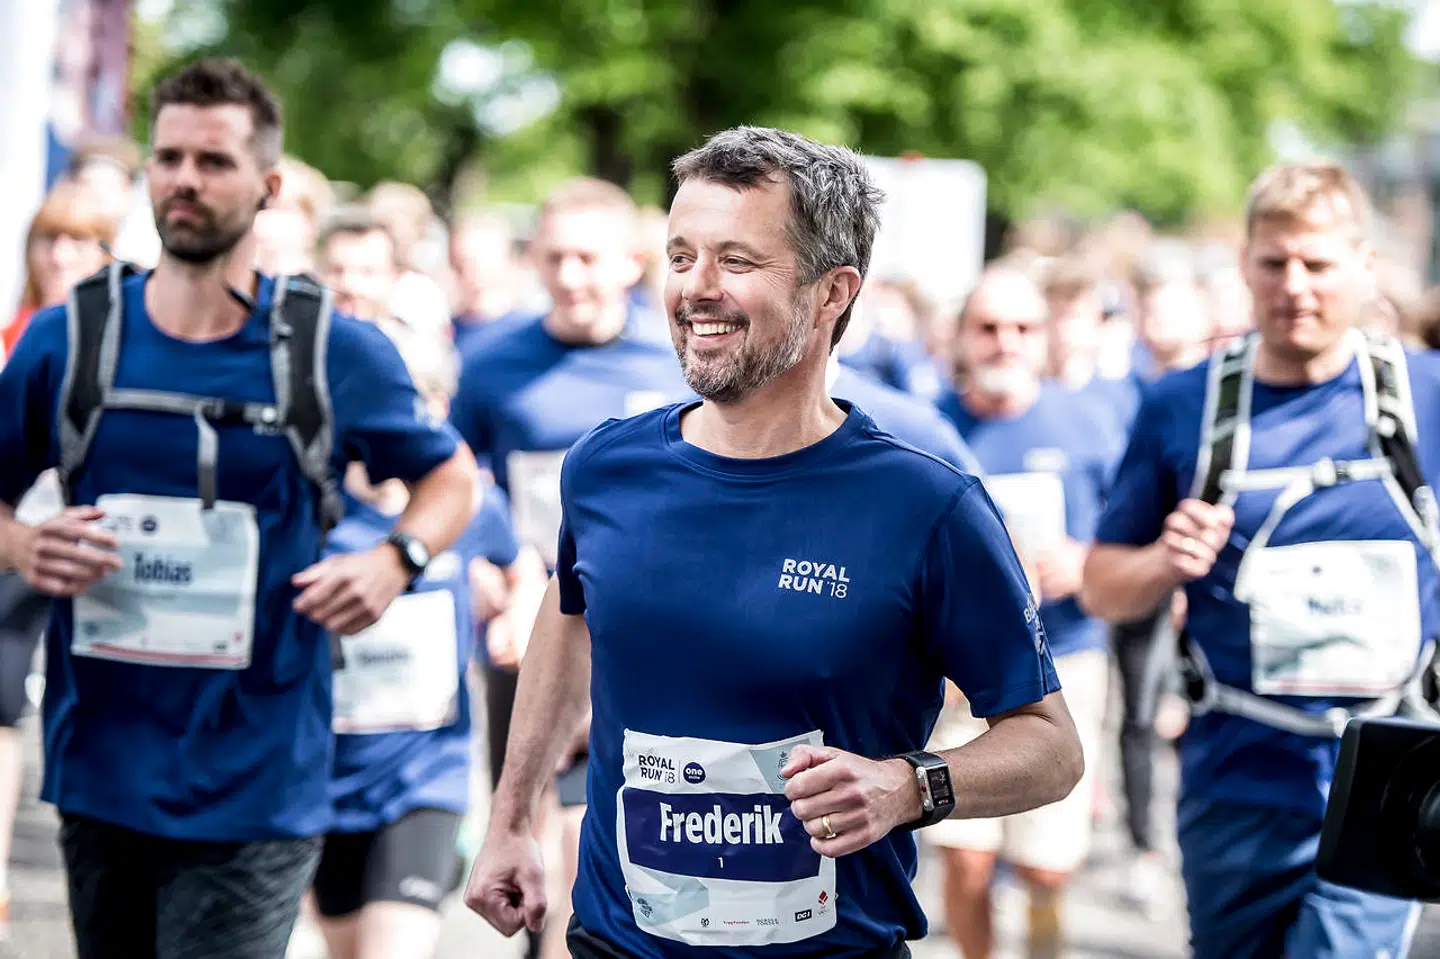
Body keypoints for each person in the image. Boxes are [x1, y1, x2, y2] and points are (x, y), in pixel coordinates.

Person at [463, 125, 1083, 959]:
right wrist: (509, 820)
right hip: (618, 941)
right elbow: (569, 616)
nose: (697, 289)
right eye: (680, 257)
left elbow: (1051, 745)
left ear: (833, 293)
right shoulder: (606, 468)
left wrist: (909, 785)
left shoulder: (926, 503)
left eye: (737, 261)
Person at [0, 58, 479, 958]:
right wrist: (23, 542)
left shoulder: (330, 348)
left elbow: (451, 477)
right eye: (169, 156)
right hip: (101, 763)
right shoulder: (74, 337)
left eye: (213, 161)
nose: (185, 178)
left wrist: (393, 560)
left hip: (259, 776)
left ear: (264, 186)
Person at [1081, 161, 1438, 959]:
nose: (1296, 286)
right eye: (1275, 263)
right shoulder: (1184, 403)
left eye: (1318, 263)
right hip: (1236, 779)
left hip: (1387, 771)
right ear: (1244, 266)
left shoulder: (1425, 397)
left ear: (1364, 267)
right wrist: (1167, 560)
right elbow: (1104, 586)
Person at [449, 175, 692, 958]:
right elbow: (457, 483)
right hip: (532, 626)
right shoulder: (492, 364)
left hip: (651, 632)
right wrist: (482, 569)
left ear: (630, 262)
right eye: (555, 257)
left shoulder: (679, 359)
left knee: (623, 838)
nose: (571, 275)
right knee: (528, 840)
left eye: (589, 257)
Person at [932, 268, 1125, 959]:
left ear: (1044, 339)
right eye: (987, 328)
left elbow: (1126, 540)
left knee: (1045, 865)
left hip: (1063, 659)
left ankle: (1044, 944)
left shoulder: (1092, 425)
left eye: (1020, 329)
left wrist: (1085, 561)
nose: (1004, 343)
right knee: (966, 857)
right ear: (959, 338)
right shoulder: (929, 428)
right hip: (954, 678)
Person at [310, 331, 519, 959]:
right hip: (328, 778)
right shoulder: (320, 512)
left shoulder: (474, 507)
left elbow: (523, 567)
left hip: (426, 777)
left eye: (422, 403)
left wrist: (511, 611)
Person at [3, 182, 115, 361]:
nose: (60, 257)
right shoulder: (8, 340)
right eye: (49, 238)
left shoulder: (119, 338)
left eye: (78, 239)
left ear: (105, 253)